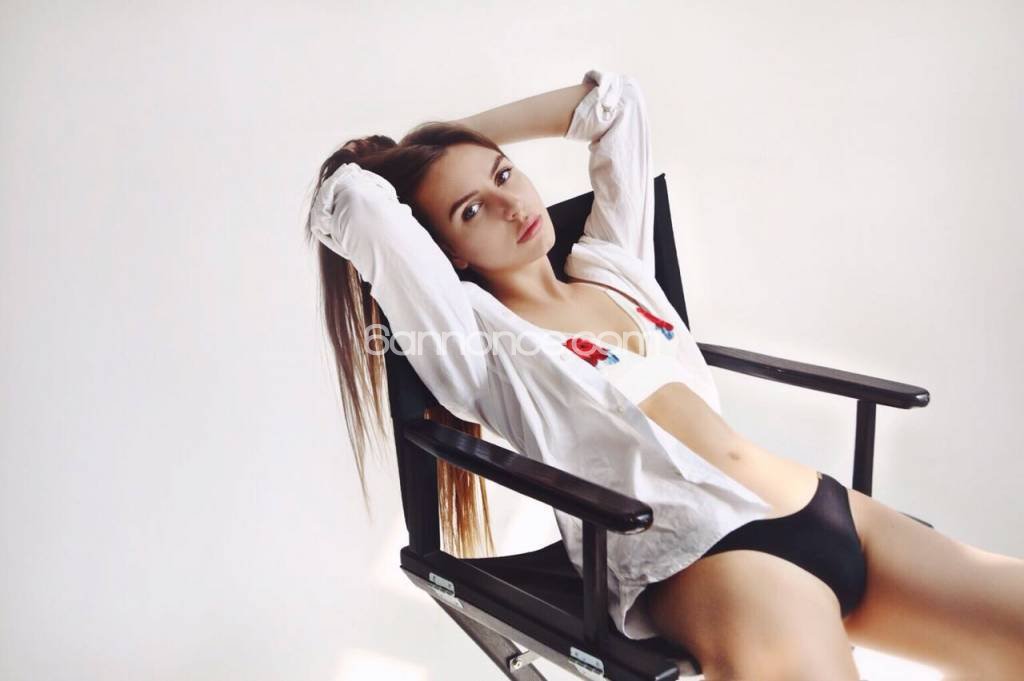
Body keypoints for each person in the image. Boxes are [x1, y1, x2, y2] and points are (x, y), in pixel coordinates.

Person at [304, 69, 1024, 680]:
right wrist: (402, 166)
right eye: (471, 211)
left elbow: (613, 104)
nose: (510, 204)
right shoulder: (476, 343)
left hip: (820, 507)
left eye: (503, 173)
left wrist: (457, 135)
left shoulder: (612, 261)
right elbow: (353, 201)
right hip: (702, 557)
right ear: (446, 254)